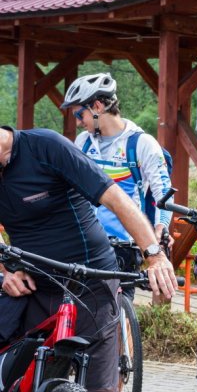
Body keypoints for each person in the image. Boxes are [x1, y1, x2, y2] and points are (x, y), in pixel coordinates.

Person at [0, 125, 179, 392]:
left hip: (90, 286)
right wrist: (6, 270)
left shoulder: (45, 147)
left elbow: (115, 197)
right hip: (35, 287)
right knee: (17, 389)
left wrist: (154, 254)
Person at [64, 72, 174, 302]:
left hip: (124, 244)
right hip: (86, 242)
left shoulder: (141, 144)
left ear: (96, 106)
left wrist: (161, 227)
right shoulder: (83, 142)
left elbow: (163, 192)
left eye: (79, 113)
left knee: (120, 313)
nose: (77, 121)